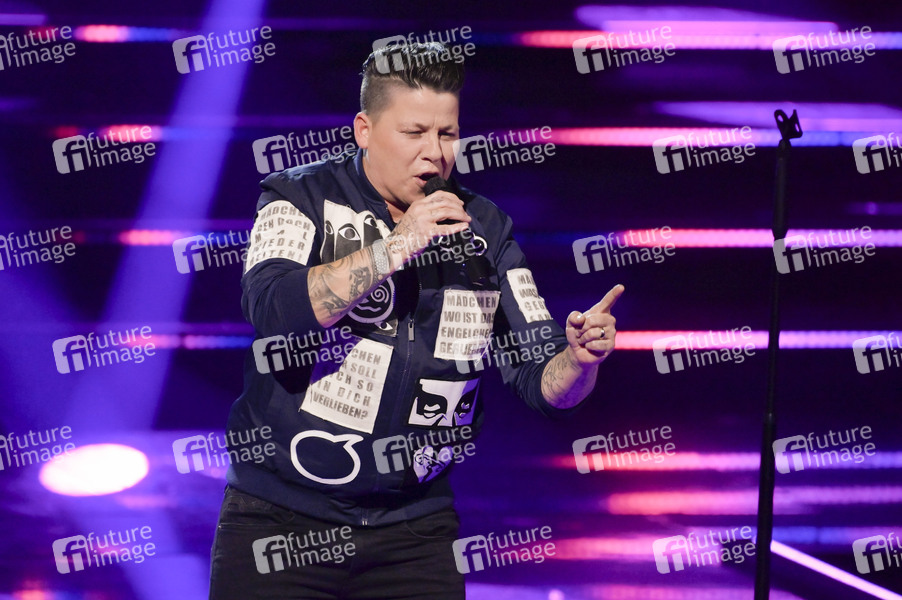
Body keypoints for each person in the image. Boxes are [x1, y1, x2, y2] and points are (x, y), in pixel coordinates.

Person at [209, 41, 623, 600]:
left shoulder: (486, 228)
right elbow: (274, 313)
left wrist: (578, 361)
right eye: (414, 133)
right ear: (364, 130)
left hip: (415, 531)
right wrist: (396, 245)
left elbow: (543, 383)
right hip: (280, 521)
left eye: (447, 134)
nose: (435, 153)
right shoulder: (297, 195)